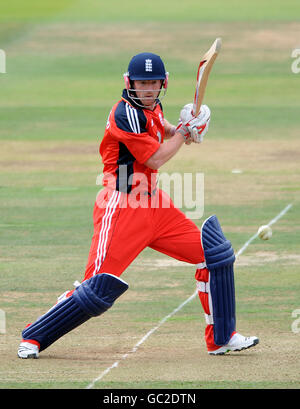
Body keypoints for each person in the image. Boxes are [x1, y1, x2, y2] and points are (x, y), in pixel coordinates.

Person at [18, 52, 259, 359]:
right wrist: (184, 133)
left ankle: (222, 337)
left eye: (153, 83)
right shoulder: (125, 113)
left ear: (163, 83)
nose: (148, 89)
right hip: (120, 206)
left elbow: (163, 133)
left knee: (215, 255)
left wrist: (188, 127)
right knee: (97, 290)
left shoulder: (153, 107)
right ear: (129, 83)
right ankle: (35, 335)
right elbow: (155, 157)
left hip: (156, 205)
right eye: (142, 83)